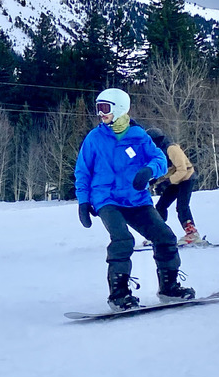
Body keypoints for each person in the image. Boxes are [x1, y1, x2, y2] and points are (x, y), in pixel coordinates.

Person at [75, 88, 195, 311]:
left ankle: (169, 287)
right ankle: (119, 294)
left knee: (165, 237)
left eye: (105, 108)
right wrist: (83, 201)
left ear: (119, 109)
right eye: (98, 108)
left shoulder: (139, 136)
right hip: (106, 198)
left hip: (136, 199)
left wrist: (149, 171)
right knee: (122, 240)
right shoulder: (94, 138)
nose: (100, 114)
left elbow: (159, 158)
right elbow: (83, 171)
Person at [145, 128, 202, 246]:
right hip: (176, 180)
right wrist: (155, 180)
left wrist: (167, 182)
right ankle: (158, 233)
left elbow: (182, 169)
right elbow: (169, 169)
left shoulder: (172, 149)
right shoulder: (161, 150)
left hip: (187, 178)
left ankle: (192, 233)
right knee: (161, 206)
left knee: (182, 206)